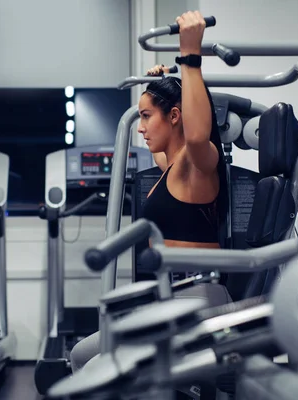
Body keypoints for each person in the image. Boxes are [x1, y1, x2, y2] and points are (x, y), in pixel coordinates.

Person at [69, 10, 232, 374]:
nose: (140, 126)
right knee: (81, 355)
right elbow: (167, 145)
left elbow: (195, 133)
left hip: (198, 299)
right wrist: (169, 79)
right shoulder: (171, 167)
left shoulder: (198, 165)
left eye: (146, 116)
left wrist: (190, 57)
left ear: (174, 116)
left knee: (100, 369)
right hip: (167, 295)